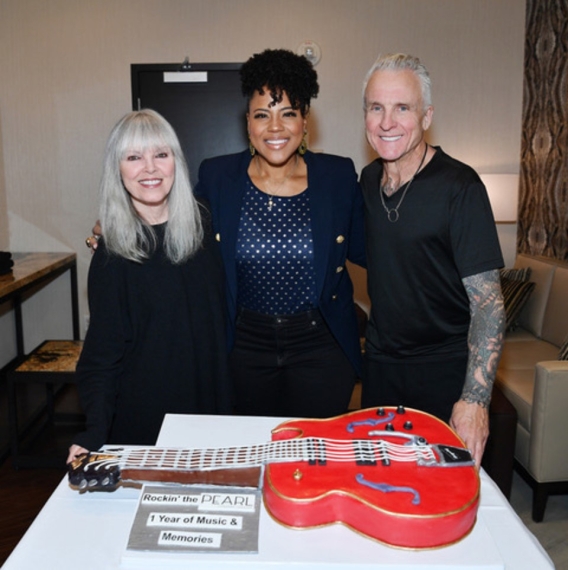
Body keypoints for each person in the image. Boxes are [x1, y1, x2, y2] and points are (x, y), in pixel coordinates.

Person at [195, 48, 366, 418]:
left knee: (314, 457)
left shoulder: (337, 178)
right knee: (252, 457)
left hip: (320, 347)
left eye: (288, 113)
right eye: (262, 115)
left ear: (305, 120)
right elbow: (179, 239)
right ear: (248, 123)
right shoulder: (217, 177)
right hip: (242, 347)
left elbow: (375, 250)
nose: (275, 127)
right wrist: (121, 232)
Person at [360, 53, 506, 466]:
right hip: (382, 369)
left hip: (445, 371)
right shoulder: (368, 180)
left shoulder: (460, 187)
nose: (387, 122)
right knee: (381, 490)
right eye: (376, 108)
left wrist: (475, 399)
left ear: (426, 116)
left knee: (446, 501)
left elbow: (489, 306)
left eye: (402, 108)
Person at [68, 110, 230, 463]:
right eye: (133, 157)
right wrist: (94, 432)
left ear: (176, 161)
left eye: (161, 154)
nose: (150, 168)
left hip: (212, 410)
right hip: (144, 423)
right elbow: (101, 357)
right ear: (118, 170)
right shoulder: (112, 254)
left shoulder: (206, 224)